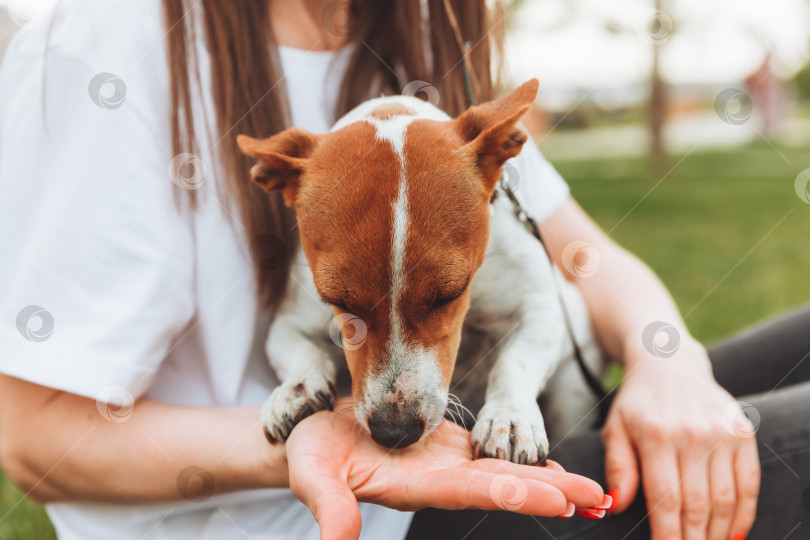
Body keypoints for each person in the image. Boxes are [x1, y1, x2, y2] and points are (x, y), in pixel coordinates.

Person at [0, 1, 807, 539]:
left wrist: (671, 365)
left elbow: (584, 258)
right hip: (362, 517)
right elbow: (32, 436)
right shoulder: (103, 43)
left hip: (503, 426)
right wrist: (302, 448)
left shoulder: (412, 40)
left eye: (441, 297)